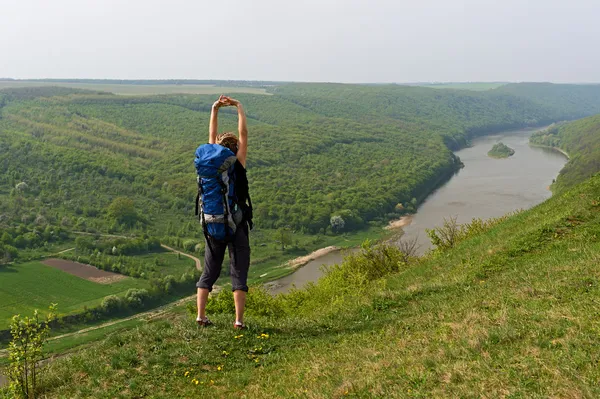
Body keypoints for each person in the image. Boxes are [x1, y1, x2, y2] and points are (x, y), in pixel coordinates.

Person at [196, 95, 250, 329]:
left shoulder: (211, 161)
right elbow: (245, 135)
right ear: (236, 147)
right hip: (236, 224)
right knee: (238, 273)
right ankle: (238, 321)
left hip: (212, 223)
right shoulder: (237, 162)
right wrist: (239, 106)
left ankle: (201, 316)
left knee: (209, 272)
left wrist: (214, 109)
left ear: (216, 146)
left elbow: (210, 137)